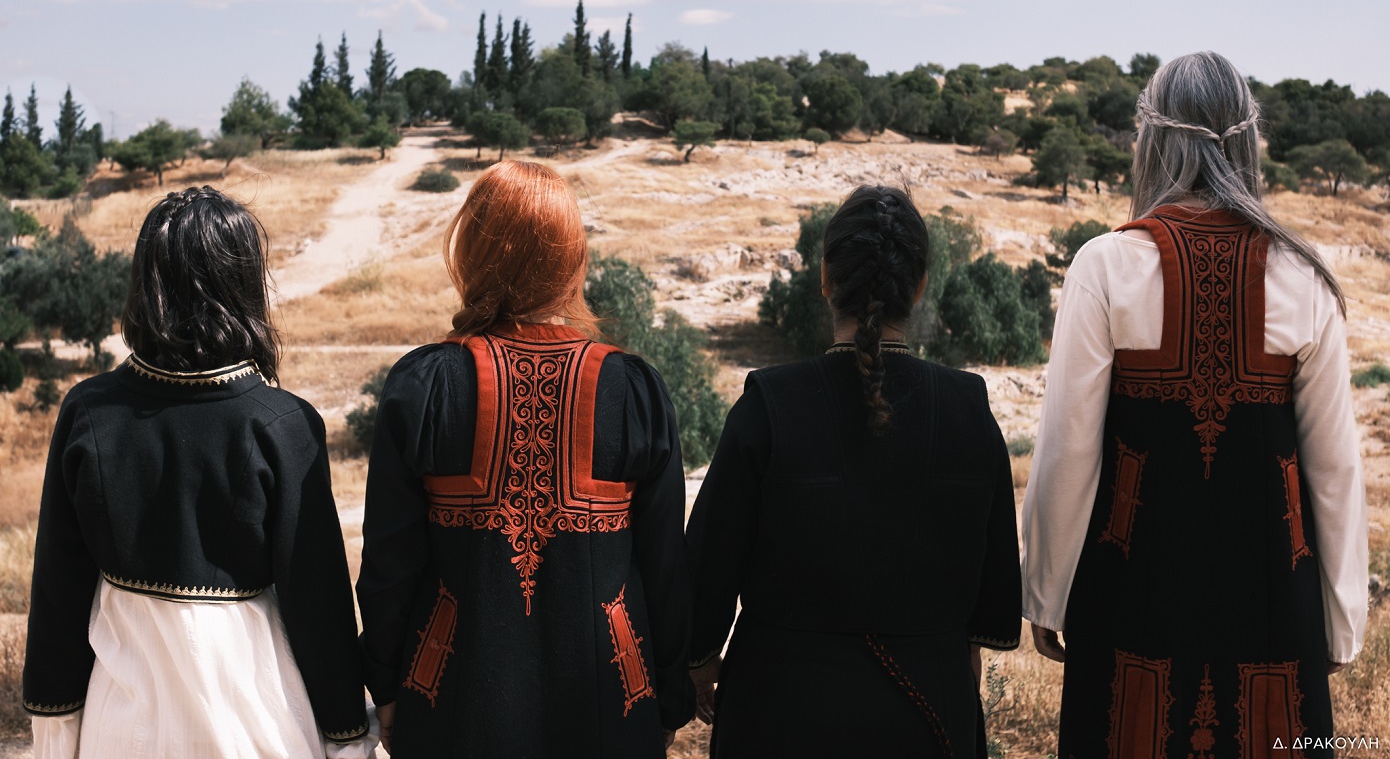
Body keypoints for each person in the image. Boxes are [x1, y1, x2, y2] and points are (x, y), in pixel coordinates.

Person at [1021, 51, 1367, 758]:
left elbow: (1067, 451)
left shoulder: (1104, 266)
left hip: (1129, 598)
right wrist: (1341, 619)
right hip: (1273, 604)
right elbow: (1334, 471)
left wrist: (1046, 592)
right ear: (1248, 140)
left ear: (1151, 139)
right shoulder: (1305, 277)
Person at [356, 160, 694, 757]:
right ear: (574, 258)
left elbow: (389, 565)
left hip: (450, 711)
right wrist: (668, 696)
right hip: (613, 711)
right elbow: (665, 565)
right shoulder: (633, 392)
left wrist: (386, 686)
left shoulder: (427, 386)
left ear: (474, 252)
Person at [22, 187, 374, 759]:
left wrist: (55, 735)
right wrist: (346, 736)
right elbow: (318, 605)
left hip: (120, 724)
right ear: (243, 285)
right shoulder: (282, 422)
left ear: (146, 284)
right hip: (255, 718)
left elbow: (57, 597)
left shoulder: (88, 412)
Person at [685, 185, 1022, 758]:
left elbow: (709, 560)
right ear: (919, 285)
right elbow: (991, 588)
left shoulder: (768, 404)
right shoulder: (969, 408)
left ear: (825, 278)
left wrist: (697, 661)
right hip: (928, 708)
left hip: (781, 709)